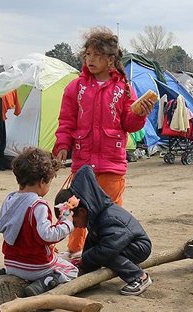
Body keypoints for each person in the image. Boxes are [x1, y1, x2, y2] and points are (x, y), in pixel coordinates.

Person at [53, 26, 153, 259]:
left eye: (97, 55)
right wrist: (61, 146)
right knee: (77, 209)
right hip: (82, 163)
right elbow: (66, 121)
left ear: (111, 59)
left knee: (109, 213)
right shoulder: (75, 88)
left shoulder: (123, 88)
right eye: (87, 55)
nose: (90, 60)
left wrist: (140, 114)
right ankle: (75, 252)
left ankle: (106, 253)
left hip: (112, 163)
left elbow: (129, 124)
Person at [55, 165, 152, 296]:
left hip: (138, 247)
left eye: (74, 221)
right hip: (121, 245)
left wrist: (88, 257)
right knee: (95, 251)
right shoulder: (95, 216)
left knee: (105, 255)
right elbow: (92, 240)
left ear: (82, 211)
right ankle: (90, 278)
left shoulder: (110, 217)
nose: (75, 226)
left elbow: (109, 247)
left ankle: (139, 277)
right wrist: (84, 264)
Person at [0, 147, 78, 296]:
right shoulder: (38, 205)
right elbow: (47, 236)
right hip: (36, 266)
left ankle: (7, 273)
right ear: (41, 182)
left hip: (11, 263)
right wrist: (67, 223)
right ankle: (45, 282)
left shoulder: (10, 199)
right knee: (72, 270)